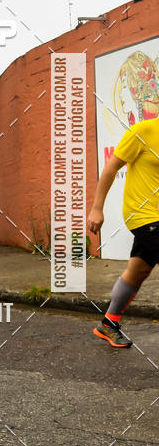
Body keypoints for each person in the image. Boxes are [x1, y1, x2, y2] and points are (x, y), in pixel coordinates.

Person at [87, 118, 159, 348]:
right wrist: (97, 208)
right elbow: (111, 167)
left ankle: (108, 324)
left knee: (138, 270)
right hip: (143, 214)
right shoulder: (144, 131)